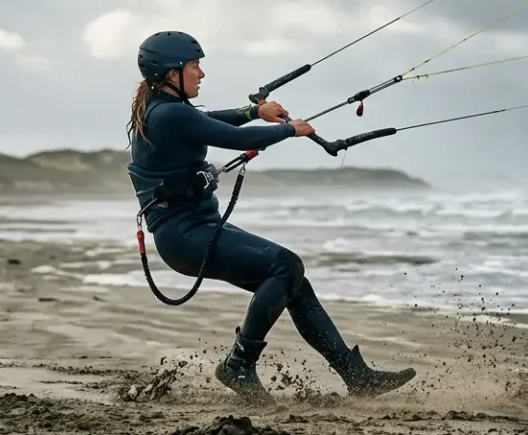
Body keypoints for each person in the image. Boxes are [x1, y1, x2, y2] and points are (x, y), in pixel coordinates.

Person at [124, 30, 416, 405]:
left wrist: (254, 111)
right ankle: (238, 364)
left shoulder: (167, 111)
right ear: (170, 73)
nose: (201, 74)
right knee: (286, 266)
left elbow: (210, 120)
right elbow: (227, 136)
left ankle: (355, 374)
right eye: (194, 67)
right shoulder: (167, 116)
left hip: (195, 230)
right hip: (185, 237)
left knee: (294, 280)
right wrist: (287, 130)